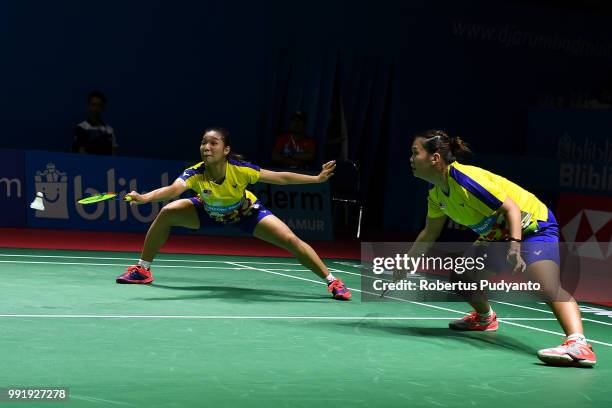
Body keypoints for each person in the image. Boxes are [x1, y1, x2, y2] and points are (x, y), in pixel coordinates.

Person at [401, 129, 596, 367]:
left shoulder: (467, 181)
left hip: (532, 225)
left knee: (545, 284)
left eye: (415, 153)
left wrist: (514, 246)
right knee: (462, 277)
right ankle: (485, 318)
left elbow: (512, 209)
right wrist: (406, 263)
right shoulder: (436, 195)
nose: (411, 159)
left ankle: (579, 344)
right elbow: (429, 233)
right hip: (498, 234)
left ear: (434, 158)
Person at [116, 127, 351, 300]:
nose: (206, 147)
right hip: (208, 212)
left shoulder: (240, 170)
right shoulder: (195, 173)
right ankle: (142, 270)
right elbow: (173, 190)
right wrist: (145, 198)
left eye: (213, 143)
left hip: (245, 213)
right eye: (203, 143)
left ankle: (332, 282)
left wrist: (316, 179)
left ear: (226, 149)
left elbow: (281, 178)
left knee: (290, 240)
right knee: (168, 211)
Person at [72, 90, 118, 155]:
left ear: (103, 108)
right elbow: (81, 154)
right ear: (89, 106)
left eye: (99, 105)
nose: (96, 108)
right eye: (93, 105)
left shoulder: (110, 130)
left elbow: (114, 153)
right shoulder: (81, 127)